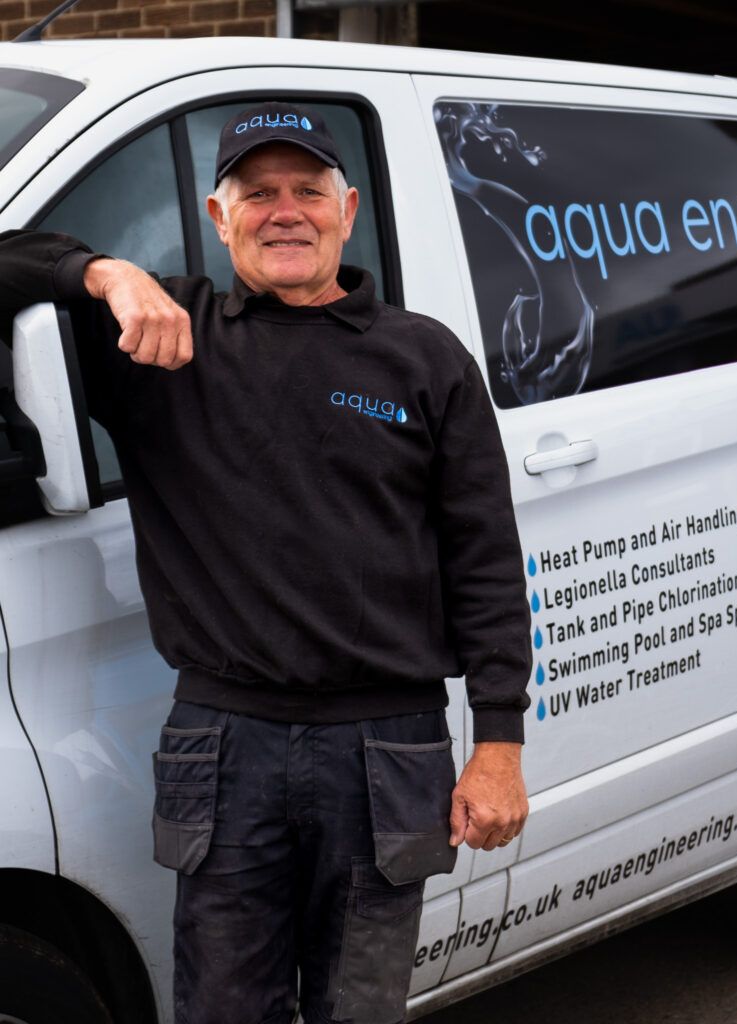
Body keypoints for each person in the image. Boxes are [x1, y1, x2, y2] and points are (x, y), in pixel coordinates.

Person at [0, 102, 531, 1024]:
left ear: (347, 208)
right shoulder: (166, 339)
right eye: (257, 193)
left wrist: (498, 743)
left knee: (356, 1011)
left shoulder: (423, 358)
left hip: (387, 745)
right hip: (225, 743)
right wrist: (103, 274)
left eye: (307, 191)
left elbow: (485, 559)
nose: (285, 211)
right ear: (218, 217)